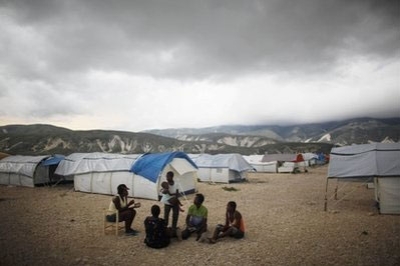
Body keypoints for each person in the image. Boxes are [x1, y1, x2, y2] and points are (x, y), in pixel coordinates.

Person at [163, 171, 181, 236]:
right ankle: (165, 228)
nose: (167, 178)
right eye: (166, 176)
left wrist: (174, 199)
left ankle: (173, 229)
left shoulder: (176, 184)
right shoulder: (165, 184)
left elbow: (178, 193)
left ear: (172, 177)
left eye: (168, 176)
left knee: (175, 215)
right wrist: (165, 190)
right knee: (166, 216)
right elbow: (164, 192)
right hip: (167, 202)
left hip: (174, 201)